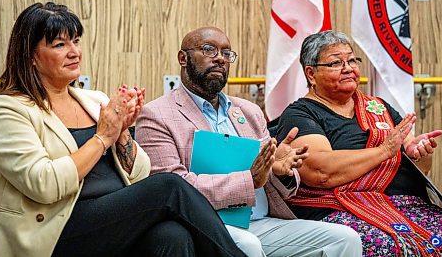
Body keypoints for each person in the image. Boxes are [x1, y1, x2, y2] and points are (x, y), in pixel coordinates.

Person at [0, 3, 247, 257]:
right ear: (31, 56)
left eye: (76, 41)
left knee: (172, 236)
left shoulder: (95, 100)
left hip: (109, 221)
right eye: (60, 44)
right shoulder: (8, 109)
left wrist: (122, 133)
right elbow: (44, 184)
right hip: (51, 231)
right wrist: (103, 137)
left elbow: (139, 174)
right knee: (170, 187)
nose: (74, 52)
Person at [135, 26, 363, 257]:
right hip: (205, 222)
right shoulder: (157, 115)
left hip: (261, 221)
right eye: (209, 50)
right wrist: (249, 180)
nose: (220, 59)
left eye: (226, 53)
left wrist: (279, 169)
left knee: (344, 239)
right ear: (183, 58)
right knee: (249, 245)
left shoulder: (248, 111)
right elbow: (173, 191)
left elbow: (272, 180)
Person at [275, 30, 442, 256]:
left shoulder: (378, 107)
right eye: (336, 62)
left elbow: (419, 166)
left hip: (407, 206)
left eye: (352, 60)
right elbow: (320, 171)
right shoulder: (300, 113)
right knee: (388, 246)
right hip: (342, 208)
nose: (348, 67)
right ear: (311, 73)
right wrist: (384, 151)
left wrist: (419, 152)